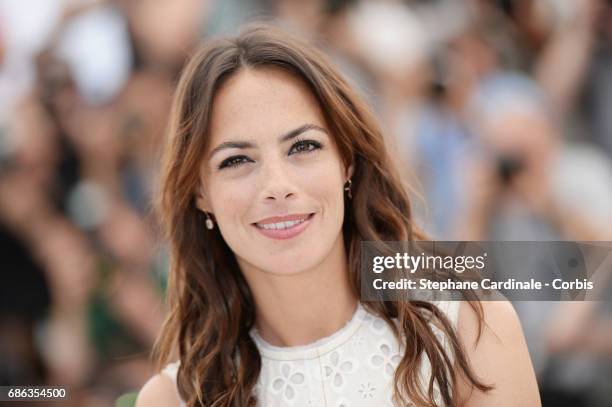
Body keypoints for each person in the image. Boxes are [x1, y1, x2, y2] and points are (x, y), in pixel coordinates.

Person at [136, 24, 540, 407]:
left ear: (347, 162)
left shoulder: (471, 329)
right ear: (200, 193)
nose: (277, 185)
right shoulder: (172, 399)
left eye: (303, 147)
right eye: (237, 159)